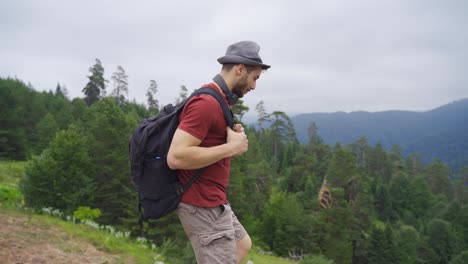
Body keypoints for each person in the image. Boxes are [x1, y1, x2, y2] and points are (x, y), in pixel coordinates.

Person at [167, 40, 271, 264]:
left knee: (242, 245)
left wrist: (227, 136)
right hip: (201, 204)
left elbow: (203, 140)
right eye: (255, 78)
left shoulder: (219, 100)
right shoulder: (207, 103)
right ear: (240, 69)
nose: (254, 86)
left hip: (213, 200)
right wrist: (230, 147)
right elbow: (176, 156)